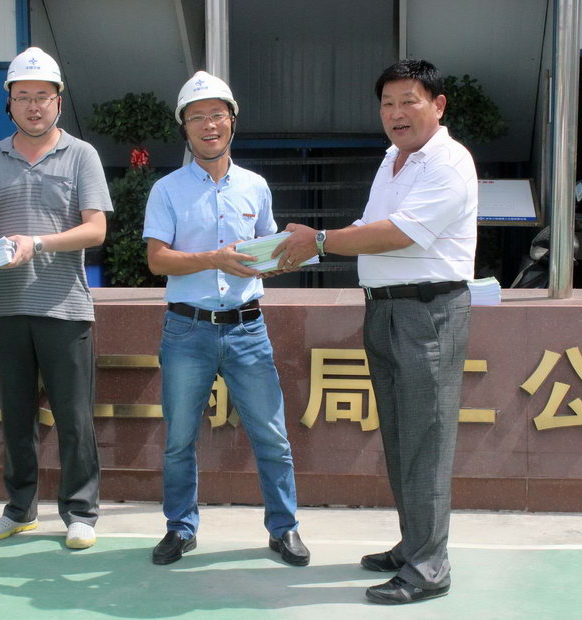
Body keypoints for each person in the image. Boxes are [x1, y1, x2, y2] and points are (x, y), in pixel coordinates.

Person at [272, 59, 477, 604]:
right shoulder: (392, 159)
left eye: (409, 101)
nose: (396, 113)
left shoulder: (450, 162)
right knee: (401, 436)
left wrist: (318, 241)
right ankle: (415, 545)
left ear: (438, 105)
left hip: (428, 313)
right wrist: (301, 250)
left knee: (426, 440)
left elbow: (400, 234)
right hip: (385, 309)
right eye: (387, 103)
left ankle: (429, 567)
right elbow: (367, 228)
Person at [142, 71, 309, 567]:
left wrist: (281, 257)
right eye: (197, 117)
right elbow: (157, 260)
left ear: (233, 121)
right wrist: (214, 258)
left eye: (217, 114)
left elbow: (266, 250)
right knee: (179, 439)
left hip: (247, 328)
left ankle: (284, 529)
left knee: (272, 436)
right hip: (187, 329)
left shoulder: (256, 187)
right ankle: (180, 528)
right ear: (185, 128)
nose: (208, 125)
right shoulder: (167, 190)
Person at [0, 46, 111, 550]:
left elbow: (96, 229)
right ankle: (19, 509)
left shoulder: (82, 155)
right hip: (6, 307)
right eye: (23, 96)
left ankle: (81, 511)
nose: (33, 106)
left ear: (58, 101)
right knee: (15, 415)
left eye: (42, 96)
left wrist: (38, 243)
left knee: (74, 417)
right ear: (9, 102)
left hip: (64, 307)